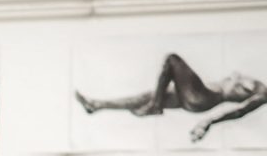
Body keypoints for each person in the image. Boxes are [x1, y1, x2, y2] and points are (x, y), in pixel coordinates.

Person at [75, 53, 267, 142]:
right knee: (146, 97)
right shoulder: (256, 82)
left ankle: (155, 106)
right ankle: (96, 105)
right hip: (195, 95)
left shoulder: (262, 93)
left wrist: (207, 122)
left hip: (203, 97)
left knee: (172, 60)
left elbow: (239, 112)